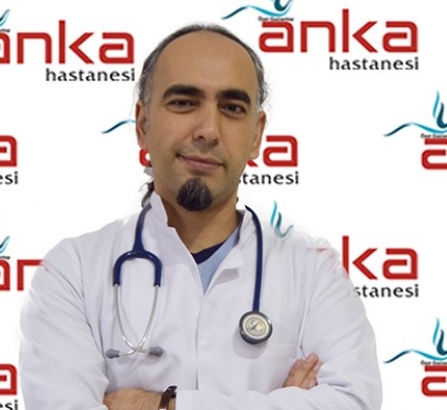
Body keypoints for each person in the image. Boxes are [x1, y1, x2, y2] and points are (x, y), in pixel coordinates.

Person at [19, 23, 382, 410]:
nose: (208, 130)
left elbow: (352, 402)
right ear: (142, 124)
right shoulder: (73, 272)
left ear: (256, 135)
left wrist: (162, 406)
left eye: (232, 108)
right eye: (184, 103)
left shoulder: (313, 269)